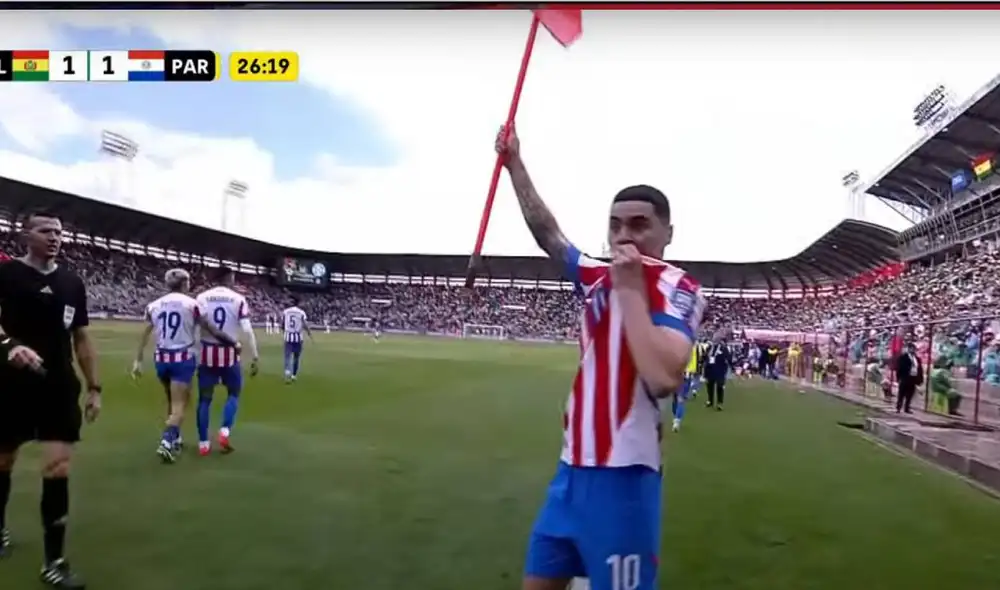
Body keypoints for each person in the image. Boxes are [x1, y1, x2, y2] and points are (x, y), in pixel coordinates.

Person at [497, 125, 706, 590]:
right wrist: (514, 164)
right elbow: (548, 234)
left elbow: (662, 376)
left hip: (625, 479)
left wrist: (631, 290)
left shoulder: (679, 287)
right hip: (571, 470)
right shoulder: (595, 274)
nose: (623, 236)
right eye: (615, 225)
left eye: (638, 224)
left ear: (667, 233)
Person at [0, 211, 101, 589]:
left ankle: (54, 562)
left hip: (58, 387)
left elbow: (82, 339)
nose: (55, 237)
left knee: (57, 469)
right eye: (46, 231)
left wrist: (94, 388)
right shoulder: (7, 274)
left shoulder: (73, 282)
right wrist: (9, 345)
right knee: (4, 460)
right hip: (9, 384)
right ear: (27, 236)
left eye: (59, 231)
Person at [131, 268, 236, 463]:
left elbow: (145, 333)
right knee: (181, 405)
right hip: (182, 359)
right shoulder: (192, 305)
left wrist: (138, 360)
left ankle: (176, 437)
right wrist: (233, 343)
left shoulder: (154, 305)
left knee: (170, 400)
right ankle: (166, 442)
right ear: (185, 284)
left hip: (161, 359)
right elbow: (212, 329)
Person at [195, 267, 259, 456]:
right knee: (234, 393)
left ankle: (203, 444)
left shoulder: (201, 298)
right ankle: (224, 431)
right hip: (229, 355)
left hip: (206, 354)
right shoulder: (238, 299)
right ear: (229, 278)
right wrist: (254, 355)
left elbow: (197, 328)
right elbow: (247, 330)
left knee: (204, 400)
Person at [282, 298, 312, 383]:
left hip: (288, 336)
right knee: (296, 357)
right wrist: (309, 333)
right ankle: (294, 375)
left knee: (287, 356)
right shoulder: (301, 312)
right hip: (298, 337)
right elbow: (305, 324)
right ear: (298, 303)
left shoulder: (286, 311)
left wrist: (284, 330)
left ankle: (287, 372)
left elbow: (283, 323)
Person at [672, 344, 700, 432]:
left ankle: (677, 420)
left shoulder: (692, 347)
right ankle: (676, 417)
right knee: (676, 399)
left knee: (680, 399)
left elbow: (694, 361)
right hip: (676, 375)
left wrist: (691, 371)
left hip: (684, 376)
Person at [704, 333, 732, 410]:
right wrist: (705, 373)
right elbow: (705, 359)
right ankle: (710, 401)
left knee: (720, 387)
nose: (714, 340)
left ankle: (720, 403)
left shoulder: (723, 348)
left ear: (719, 340)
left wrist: (726, 369)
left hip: (720, 371)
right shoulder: (709, 348)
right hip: (710, 370)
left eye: (716, 338)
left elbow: (728, 358)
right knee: (710, 387)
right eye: (714, 338)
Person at [895, 342, 924, 414]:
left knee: (910, 394)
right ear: (908, 349)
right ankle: (898, 407)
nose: (913, 350)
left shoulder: (917, 359)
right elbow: (899, 368)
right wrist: (898, 378)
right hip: (905, 377)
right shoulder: (903, 357)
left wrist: (920, 379)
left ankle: (907, 408)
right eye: (911, 348)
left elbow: (920, 369)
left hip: (913, 378)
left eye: (914, 349)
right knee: (901, 394)